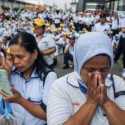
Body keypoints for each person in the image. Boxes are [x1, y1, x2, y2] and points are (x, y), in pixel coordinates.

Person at [47, 32, 125, 125]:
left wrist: (106, 101)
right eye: (91, 70)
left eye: (104, 69)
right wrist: (91, 102)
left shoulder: (117, 83)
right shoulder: (60, 86)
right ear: (79, 66)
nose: (98, 76)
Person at [0, 31, 57, 125]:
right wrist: (5, 74)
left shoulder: (47, 76)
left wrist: (20, 100)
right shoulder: (11, 73)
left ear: (34, 54)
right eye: (12, 57)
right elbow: (4, 99)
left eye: (20, 57)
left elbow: (48, 114)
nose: (16, 61)